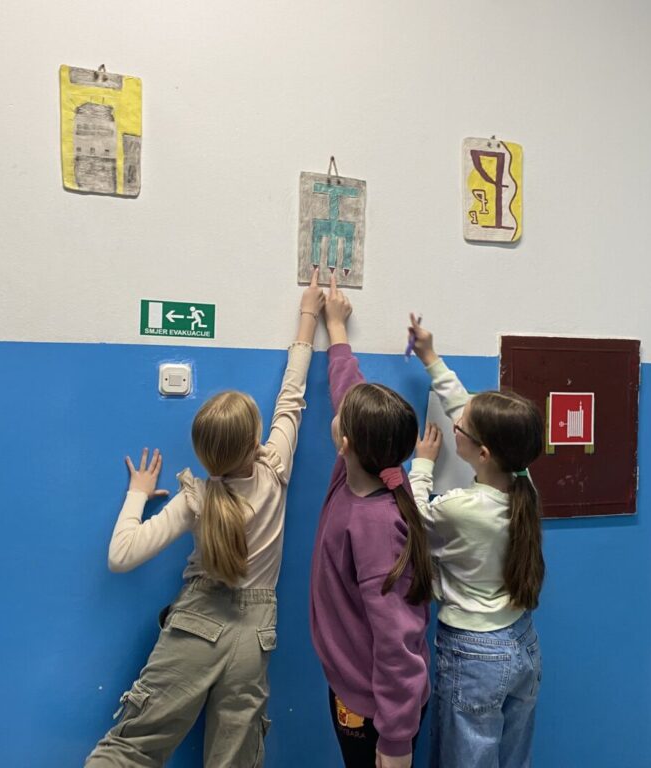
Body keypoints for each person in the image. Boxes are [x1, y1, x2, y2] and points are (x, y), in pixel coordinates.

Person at [84, 274, 324, 768]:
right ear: (255, 440)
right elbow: (292, 397)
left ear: (203, 453)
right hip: (254, 637)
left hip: (197, 622)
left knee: (130, 749)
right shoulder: (276, 470)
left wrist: (137, 494)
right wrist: (308, 315)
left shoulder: (196, 499)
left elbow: (121, 555)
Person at [406, 313, 545, 768]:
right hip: (521, 642)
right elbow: (466, 410)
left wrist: (422, 466)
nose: (455, 426)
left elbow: (413, 517)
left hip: (474, 656)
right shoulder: (523, 485)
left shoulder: (461, 509)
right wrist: (431, 357)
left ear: (482, 453)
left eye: (460, 429)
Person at [310, 277, 434, 768]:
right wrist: (336, 329)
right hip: (354, 686)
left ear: (346, 443)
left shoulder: (377, 526)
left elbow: (398, 643)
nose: (339, 410)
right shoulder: (365, 469)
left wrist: (397, 742)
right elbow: (349, 388)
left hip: (377, 713)